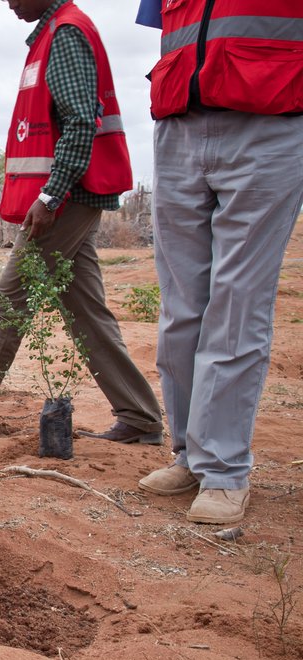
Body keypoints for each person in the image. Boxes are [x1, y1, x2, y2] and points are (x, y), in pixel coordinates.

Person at [0, 0, 163, 445]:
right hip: (70, 195)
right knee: (86, 313)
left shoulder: (67, 33)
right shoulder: (53, 32)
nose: (9, 2)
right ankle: (140, 417)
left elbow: (80, 121)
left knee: (8, 305)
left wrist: (51, 194)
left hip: (66, 197)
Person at [136, 1, 303, 524]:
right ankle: (190, 453)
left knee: (236, 305)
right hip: (180, 125)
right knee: (181, 309)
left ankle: (225, 469)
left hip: (270, 121)